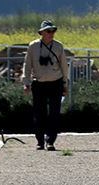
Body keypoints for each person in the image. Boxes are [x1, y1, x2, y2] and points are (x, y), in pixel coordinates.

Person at [22, 20, 69, 150]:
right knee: (39, 113)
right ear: (42, 32)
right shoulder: (33, 46)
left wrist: (65, 84)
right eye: (48, 31)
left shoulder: (59, 46)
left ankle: (50, 141)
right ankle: (40, 141)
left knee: (54, 113)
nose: (51, 33)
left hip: (56, 83)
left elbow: (64, 66)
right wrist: (26, 82)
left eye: (53, 31)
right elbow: (27, 65)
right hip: (39, 84)